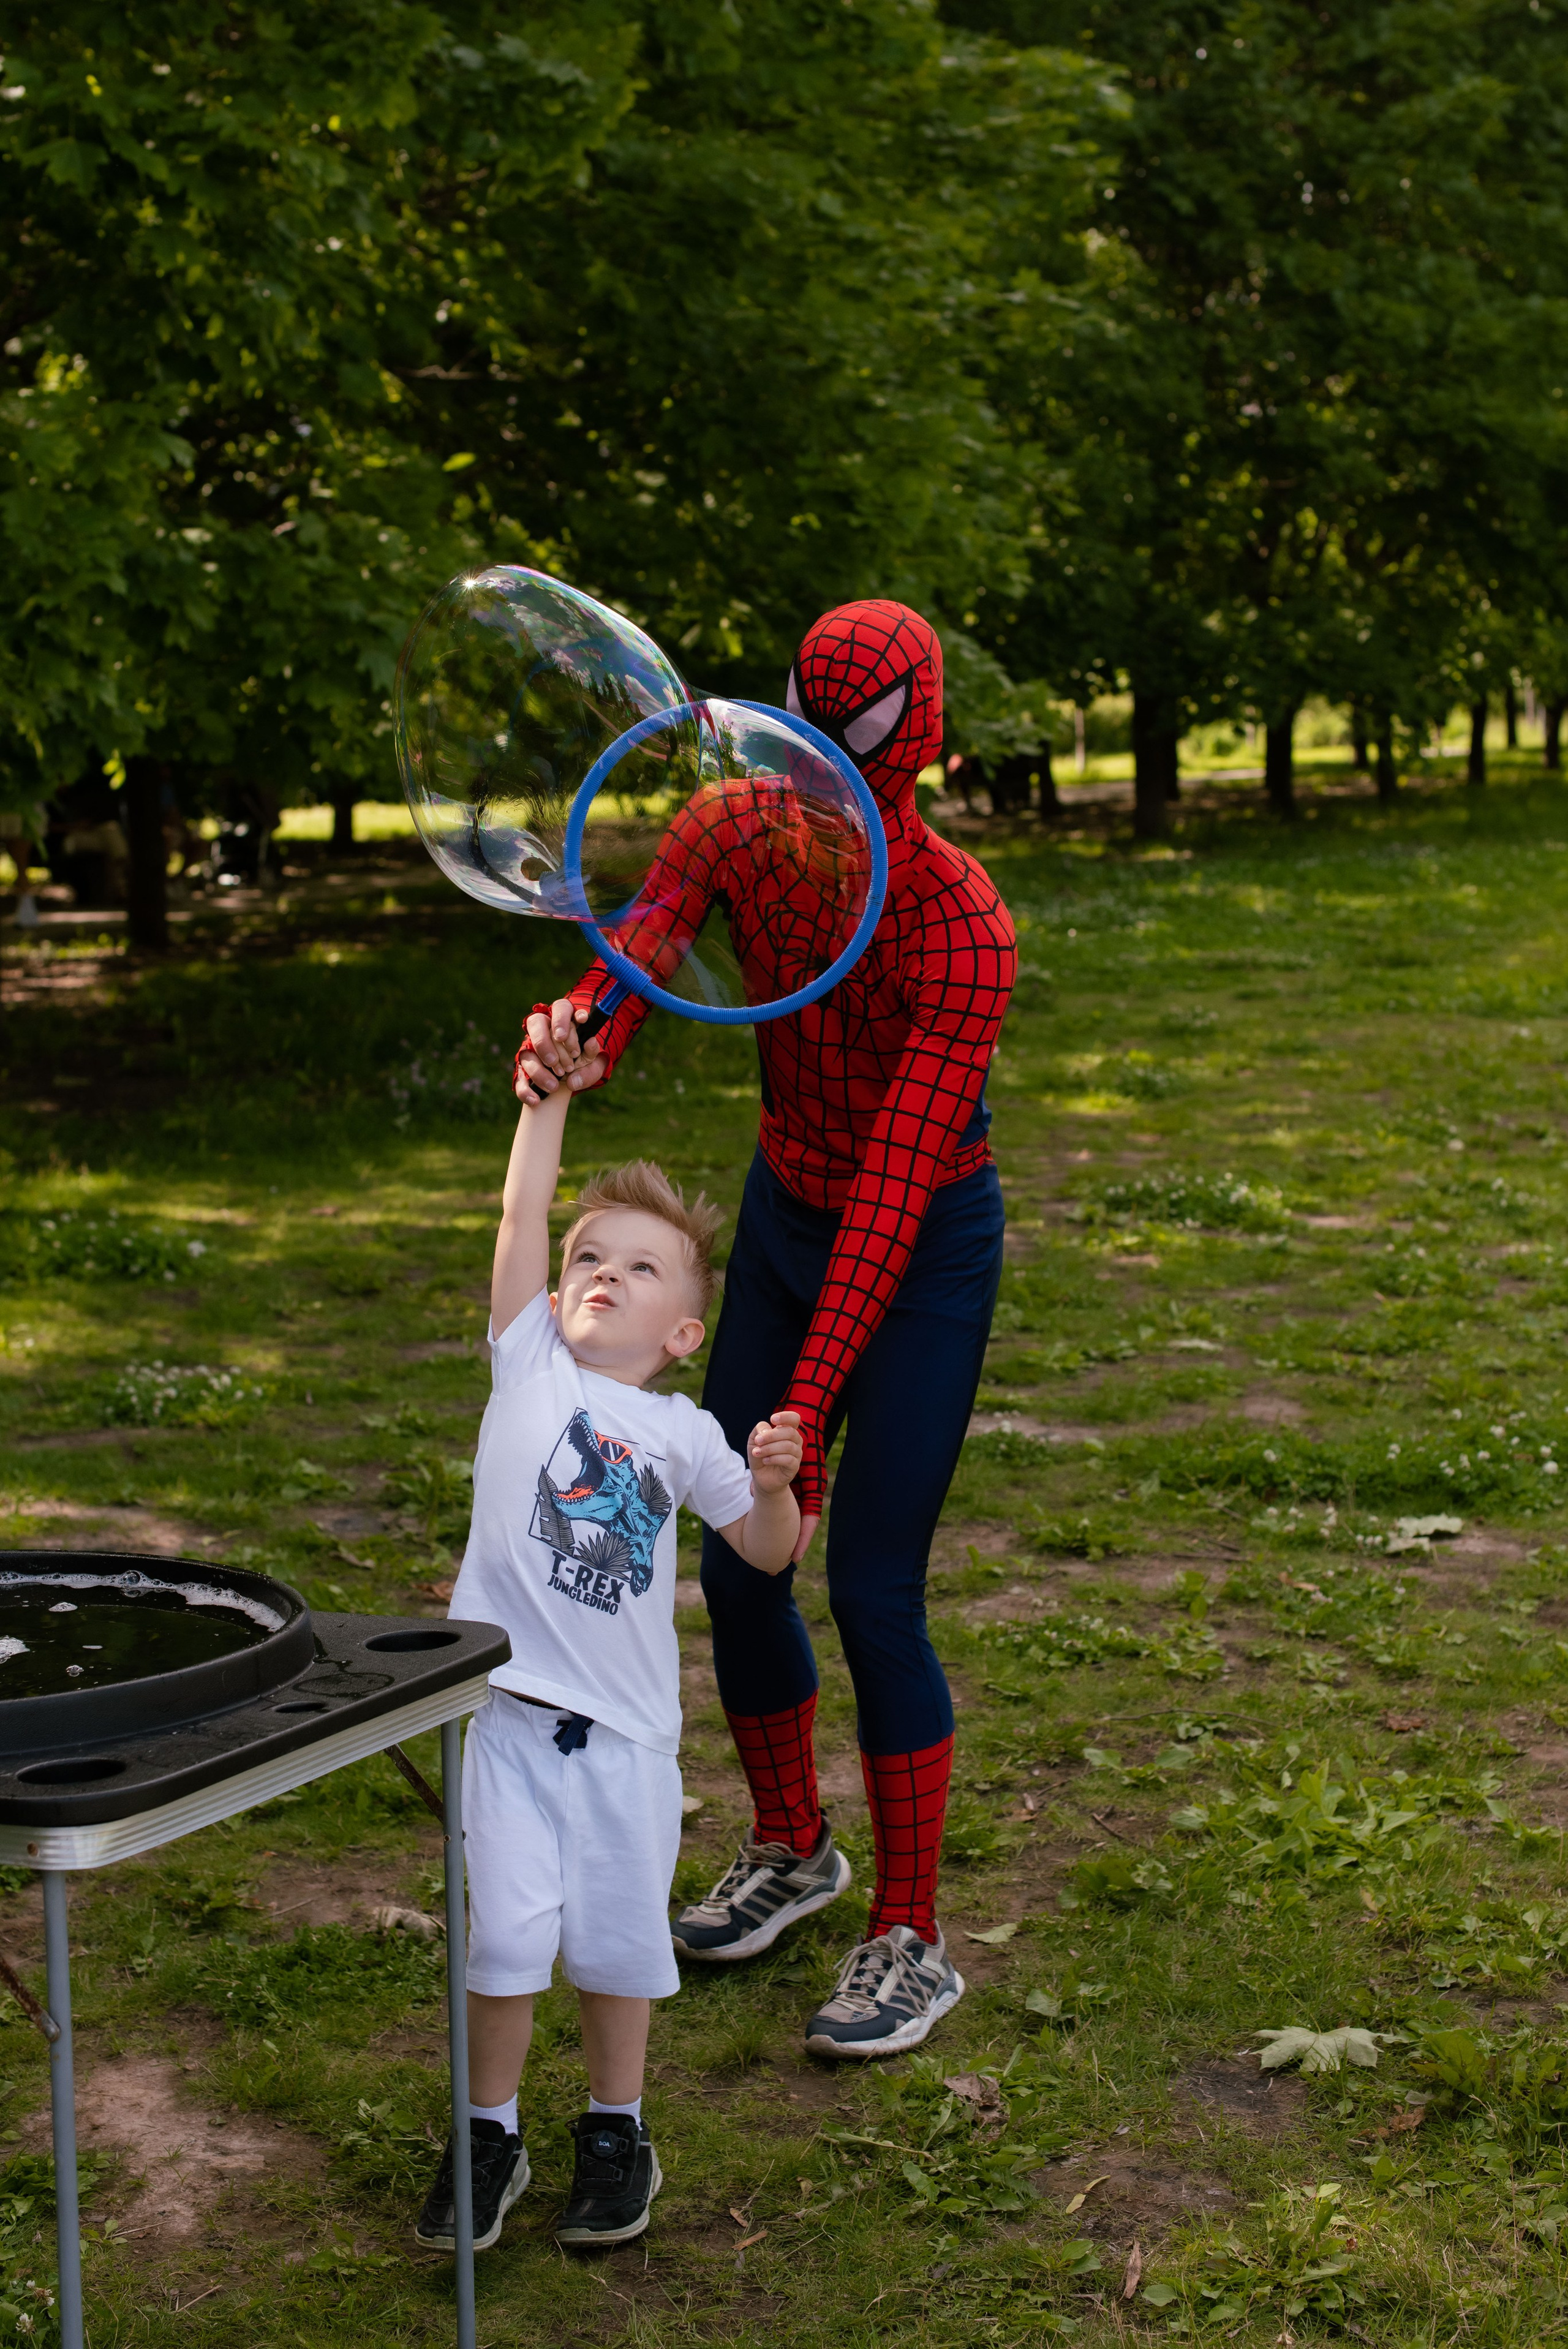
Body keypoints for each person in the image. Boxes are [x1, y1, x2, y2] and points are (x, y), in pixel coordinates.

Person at [516, 598, 1016, 2060]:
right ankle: (793, 1847)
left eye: (846, 777)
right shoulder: (728, 826)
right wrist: (581, 1028)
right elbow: (642, 952)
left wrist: (795, 1409)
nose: (812, 805)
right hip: (792, 1210)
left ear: (906, 759)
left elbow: (894, 1192)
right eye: (798, 763)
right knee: (735, 1571)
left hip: (919, 1247)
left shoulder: (961, 924)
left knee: (867, 1583)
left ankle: (908, 1938)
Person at [418, 1077, 803, 2253]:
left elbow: (764, 1552)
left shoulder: (685, 1432)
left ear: (683, 1333)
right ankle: (488, 2132)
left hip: (629, 1741)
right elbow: (520, 1219)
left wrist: (780, 1486)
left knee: (620, 1944)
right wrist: (546, 1107)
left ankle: (614, 2131)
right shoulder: (528, 1362)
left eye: (642, 1269)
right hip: (510, 1723)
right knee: (503, 1943)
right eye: (593, 1255)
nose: (605, 1273)